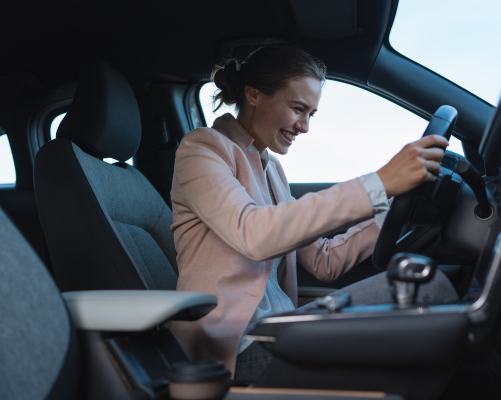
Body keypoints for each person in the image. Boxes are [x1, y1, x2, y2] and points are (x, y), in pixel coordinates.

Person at [170, 42, 458, 381]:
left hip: (278, 329)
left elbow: (324, 261)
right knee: (427, 292)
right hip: (231, 347)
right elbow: (253, 233)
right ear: (253, 95)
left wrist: (393, 206)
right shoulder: (202, 149)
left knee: (429, 311)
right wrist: (378, 183)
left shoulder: (271, 169)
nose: (305, 127)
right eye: (298, 108)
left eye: (311, 114)